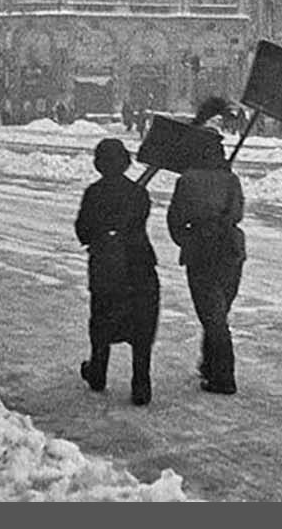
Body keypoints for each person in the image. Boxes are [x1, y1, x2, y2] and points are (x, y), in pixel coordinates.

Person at [167, 95, 247, 395]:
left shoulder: (187, 180)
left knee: (212, 316)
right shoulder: (231, 179)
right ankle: (209, 366)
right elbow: (237, 213)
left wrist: (188, 240)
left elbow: (175, 221)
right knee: (218, 313)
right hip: (231, 251)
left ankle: (223, 377)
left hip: (201, 252)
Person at [75, 136, 160, 407]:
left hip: (106, 268)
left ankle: (98, 372)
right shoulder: (139, 194)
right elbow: (140, 219)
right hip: (139, 265)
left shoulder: (93, 193)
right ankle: (141, 384)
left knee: (102, 319)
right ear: (125, 162)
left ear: (99, 164)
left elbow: (83, 230)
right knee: (142, 325)